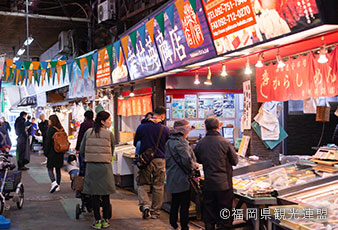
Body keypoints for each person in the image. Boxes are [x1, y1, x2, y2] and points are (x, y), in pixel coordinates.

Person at [194, 116, 238, 230]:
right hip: (224, 185)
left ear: (206, 128)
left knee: (209, 212)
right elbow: (235, 161)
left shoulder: (200, 143)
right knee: (225, 213)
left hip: (208, 183)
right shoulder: (225, 142)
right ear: (219, 126)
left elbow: (197, 160)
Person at [80, 111, 116, 229]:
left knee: (94, 195)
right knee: (105, 195)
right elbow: (112, 149)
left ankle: (97, 220)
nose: (110, 122)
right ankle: (106, 220)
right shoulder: (109, 134)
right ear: (102, 121)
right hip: (105, 167)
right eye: (109, 119)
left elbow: (81, 150)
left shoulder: (88, 132)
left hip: (91, 167)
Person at [134, 106, 170, 219]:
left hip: (145, 160)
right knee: (158, 186)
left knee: (143, 184)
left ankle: (145, 206)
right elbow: (167, 145)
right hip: (160, 160)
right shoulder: (165, 129)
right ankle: (155, 212)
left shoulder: (142, 127)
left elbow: (136, 143)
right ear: (163, 116)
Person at [165, 119, 198, 230]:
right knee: (184, 204)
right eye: (188, 129)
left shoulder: (169, 141)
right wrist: (194, 166)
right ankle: (184, 226)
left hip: (172, 175)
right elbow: (186, 160)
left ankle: (173, 222)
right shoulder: (181, 142)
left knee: (175, 201)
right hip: (182, 177)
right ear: (184, 130)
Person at [44, 115, 66, 193]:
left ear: (51, 121)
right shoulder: (62, 128)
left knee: (50, 168)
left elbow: (47, 141)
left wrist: (45, 152)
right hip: (60, 151)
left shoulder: (51, 129)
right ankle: (58, 186)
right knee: (58, 169)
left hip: (52, 152)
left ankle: (53, 182)